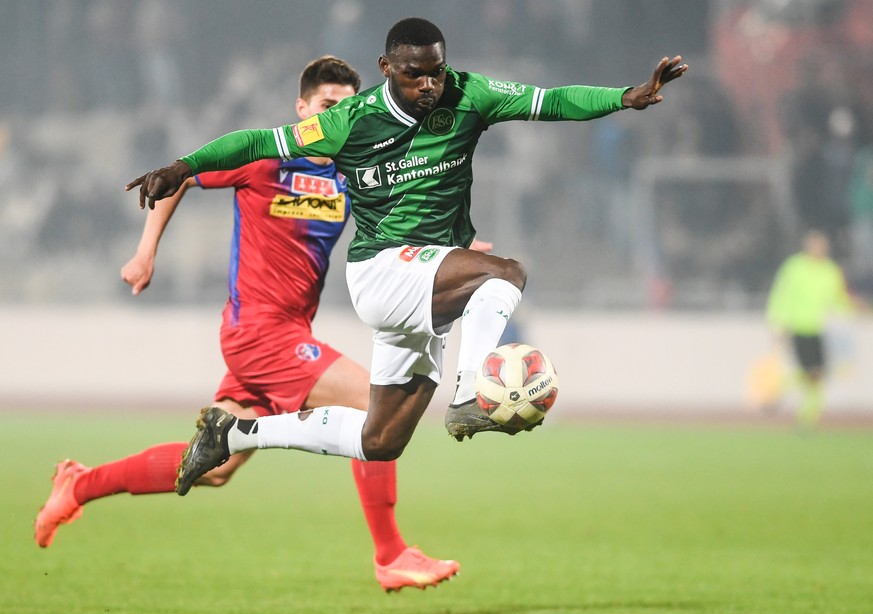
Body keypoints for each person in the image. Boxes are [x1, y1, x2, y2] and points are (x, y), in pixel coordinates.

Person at [125, 18, 687, 489]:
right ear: (387, 67)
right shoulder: (351, 120)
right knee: (506, 275)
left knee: (380, 441)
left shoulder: (471, 94)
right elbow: (256, 141)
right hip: (380, 270)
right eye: (414, 74)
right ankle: (473, 390)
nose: (428, 85)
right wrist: (184, 165)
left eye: (436, 72)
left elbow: (553, 101)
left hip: (423, 282)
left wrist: (624, 97)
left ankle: (235, 433)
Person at [35, 55, 462, 592]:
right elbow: (182, 175)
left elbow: (402, 224)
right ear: (302, 108)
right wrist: (145, 252)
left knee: (212, 467)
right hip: (260, 333)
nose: (340, 116)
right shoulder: (266, 159)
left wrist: (445, 255)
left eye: (349, 108)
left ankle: (78, 485)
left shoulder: (351, 174)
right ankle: (390, 554)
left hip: (284, 337)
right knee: (372, 406)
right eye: (329, 105)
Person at [766, 229, 859, 428]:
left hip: (818, 328)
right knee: (812, 373)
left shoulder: (830, 271)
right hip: (798, 327)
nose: (818, 249)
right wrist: (777, 322)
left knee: (815, 374)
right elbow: (780, 295)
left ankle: (790, 398)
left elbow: (838, 300)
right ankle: (804, 413)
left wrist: (856, 308)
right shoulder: (794, 267)